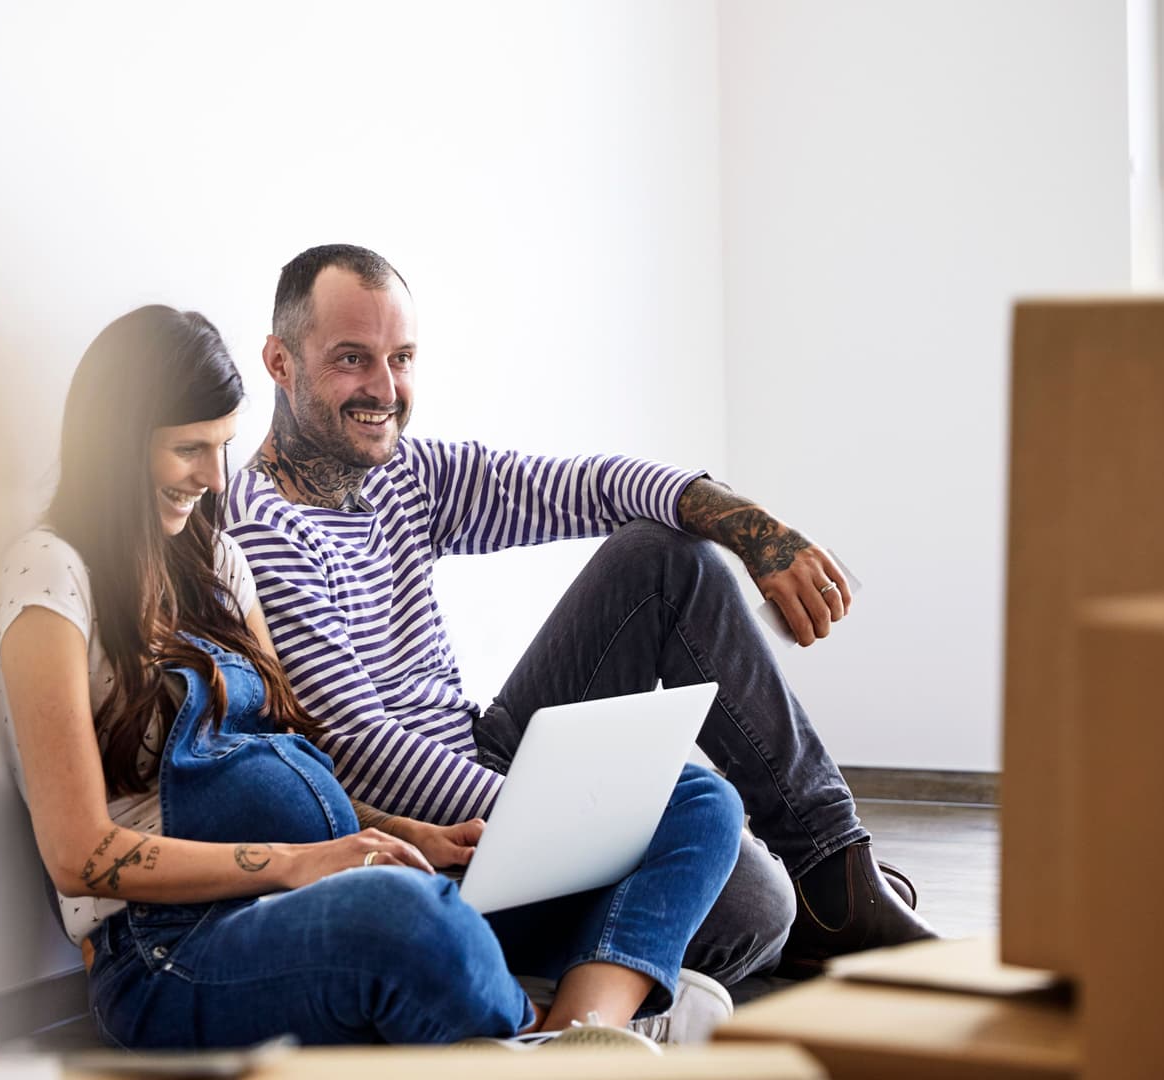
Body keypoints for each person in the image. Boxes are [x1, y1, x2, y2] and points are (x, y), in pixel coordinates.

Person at [0, 304, 745, 1049]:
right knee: (404, 917)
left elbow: (287, 764)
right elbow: (78, 852)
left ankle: (578, 1033)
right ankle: (569, 1030)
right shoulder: (50, 574)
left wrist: (403, 833)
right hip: (172, 947)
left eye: (224, 446)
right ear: (117, 444)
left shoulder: (216, 563)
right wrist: (303, 864)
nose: (214, 477)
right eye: (189, 448)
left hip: (322, 883)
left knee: (694, 798)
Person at [225, 244, 936, 982]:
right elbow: (361, 750)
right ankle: (762, 909)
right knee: (753, 905)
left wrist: (749, 525)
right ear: (280, 362)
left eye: (400, 357)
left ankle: (835, 874)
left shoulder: (404, 470)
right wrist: (588, 820)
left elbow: (586, 486)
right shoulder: (262, 529)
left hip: (485, 753)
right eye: (352, 359)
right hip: (430, 848)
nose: (385, 388)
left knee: (661, 557)